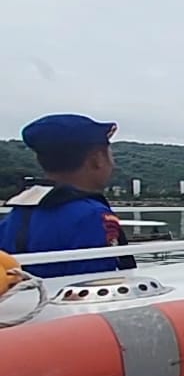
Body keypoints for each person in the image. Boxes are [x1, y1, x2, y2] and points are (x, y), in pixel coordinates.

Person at [0, 114, 136, 278]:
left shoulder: (18, 213)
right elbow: (99, 283)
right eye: (110, 154)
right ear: (97, 159)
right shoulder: (92, 215)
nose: (113, 163)